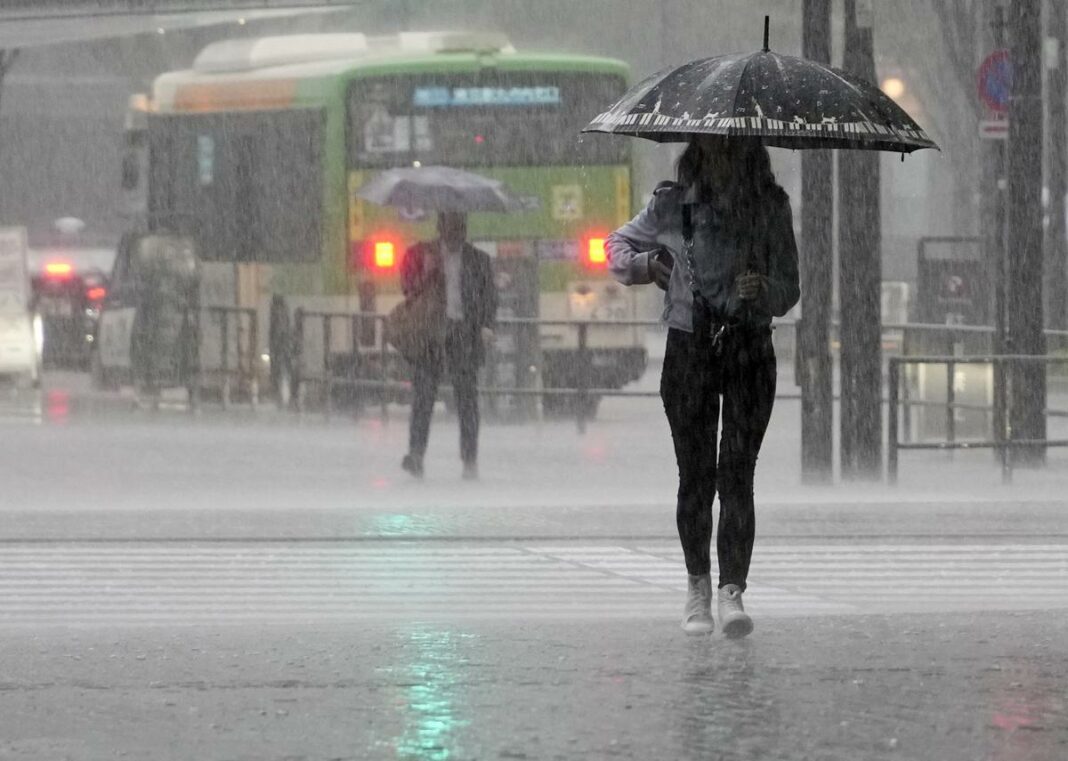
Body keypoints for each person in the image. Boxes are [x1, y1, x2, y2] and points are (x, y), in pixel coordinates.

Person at [606, 135, 800, 638]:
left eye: (732, 149)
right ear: (699, 152)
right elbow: (618, 245)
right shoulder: (672, 203)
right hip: (690, 349)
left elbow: (791, 286)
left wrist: (766, 290)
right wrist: (647, 266)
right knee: (696, 475)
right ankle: (698, 588)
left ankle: (732, 590)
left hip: (749, 348)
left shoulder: (771, 207)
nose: (723, 159)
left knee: (737, 475)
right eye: (714, 148)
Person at [400, 211, 497, 480]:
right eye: (450, 229)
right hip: (430, 333)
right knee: (423, 397)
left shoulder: (479, 261)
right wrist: (428, 273)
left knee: (467, 400)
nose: (455, 235)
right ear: (440, 228)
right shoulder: (420, 255)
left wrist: (486, 325)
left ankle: (469, 458)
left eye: (460, 229)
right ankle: (416, 454)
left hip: (463, 333)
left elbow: (489, 297)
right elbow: (407, 288)